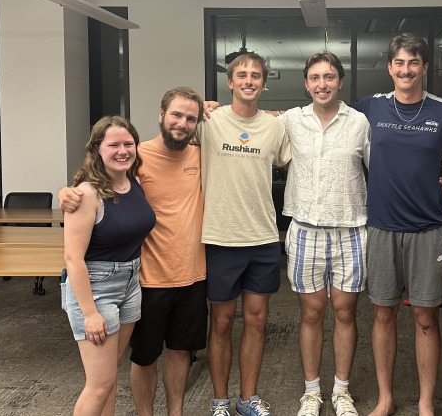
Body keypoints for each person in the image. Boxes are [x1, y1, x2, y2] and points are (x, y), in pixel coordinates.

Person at [60, 87, 207, 416]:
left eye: (190, 117)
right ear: (160, 115)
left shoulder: (197, 153)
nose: (182, 123)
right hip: (145, 278)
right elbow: (88, 185)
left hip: (180, 276)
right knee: (128, 365)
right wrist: (65, 192)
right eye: (176, 115)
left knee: (173, 354)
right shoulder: (138, 157)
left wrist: (215, 108)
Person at [351, 33, 442, 416]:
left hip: (429, 229)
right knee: (383, 314)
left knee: (426, 317)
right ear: (389, 67)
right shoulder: (370, 108)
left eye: (414, 63)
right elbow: (319, 114)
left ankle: (426, 401)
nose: (406, 69)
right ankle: (386, 398)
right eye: (399, 62)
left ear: (425, 68)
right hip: (381, 226)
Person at [278, 52, 370, 416]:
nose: (322, 84)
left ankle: (342, 391)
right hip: (305, 230)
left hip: (351, 229)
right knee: (311, 314)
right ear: (305, 83)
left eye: (329, 77)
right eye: (315, 77)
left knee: (345, 313)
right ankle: (312, 391)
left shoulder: (360, 122)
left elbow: (380, 169)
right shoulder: (290, 120)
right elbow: (252, 121)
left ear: (340, 81)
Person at [200, 52, 291, 416]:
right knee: (221, 322)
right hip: (221, 237)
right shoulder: (208, 120)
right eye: (242, 74)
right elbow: (168, 139)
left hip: (263, 238)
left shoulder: (275, 127)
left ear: (264, 83)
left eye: (256, 75)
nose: (249, 80)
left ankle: (247, 398)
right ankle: (220, 400)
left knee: (257, 321)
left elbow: (291, 160)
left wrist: (284, 117)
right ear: (230, 82)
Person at [62, 115, 156, 416]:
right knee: (99, 384)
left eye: (129, 144)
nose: (122, 150)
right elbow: (73, 258)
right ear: (97, 149)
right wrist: (89, 313)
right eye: (113, 144)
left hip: (130, 282)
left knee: (108, 376)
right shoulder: (87, 194)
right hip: (96, 288)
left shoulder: (134, 182)